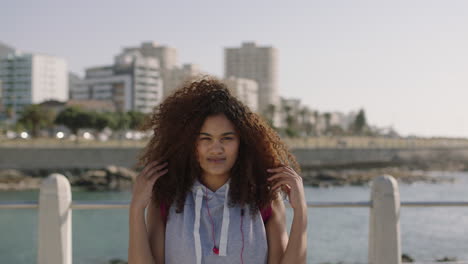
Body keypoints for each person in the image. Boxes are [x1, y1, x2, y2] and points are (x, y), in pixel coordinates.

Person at [128, 77, 307, 264]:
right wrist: (136, 209)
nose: (216, 148)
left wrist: (301, 210)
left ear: (242, 143)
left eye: (227, 138)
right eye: (205, 138)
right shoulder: (167, 197)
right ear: (189, 143)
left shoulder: (264, 197)